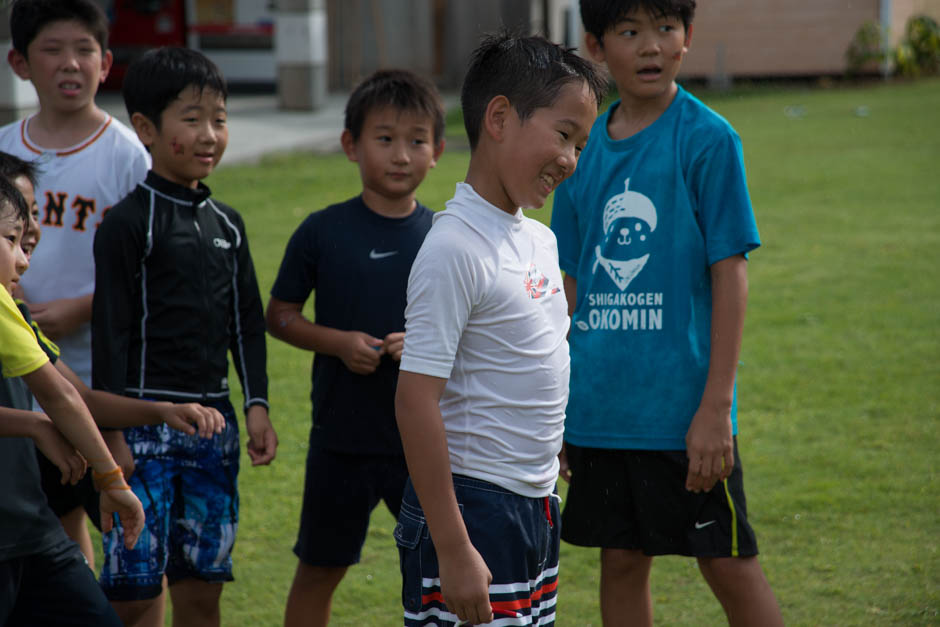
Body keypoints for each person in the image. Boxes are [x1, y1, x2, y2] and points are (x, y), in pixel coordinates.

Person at [548, 2, 784, 625]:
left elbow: (731, 275)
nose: (651, 46)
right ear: (597, 46)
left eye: (666, 29)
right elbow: (568, 286)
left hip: (685, 415)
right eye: (630, 32)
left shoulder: (708, 140)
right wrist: (561, 406)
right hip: (601, 410)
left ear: (687, 39)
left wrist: (715, 408)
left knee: (729, 562)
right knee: (620, 561)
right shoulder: (579, 147)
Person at [394, 32, 606, 626]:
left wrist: (550, 433)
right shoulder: (454, 249)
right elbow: (415, 404)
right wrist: (456, 548)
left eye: (581, 145)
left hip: (534, 503)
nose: (571, 159)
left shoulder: (538, 238)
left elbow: (527, 356)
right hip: (473, 509)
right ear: (499, 117)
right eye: (564, 135)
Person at [91, 46, 278, 627]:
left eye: (219, 119)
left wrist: (257, 406)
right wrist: (114, 436)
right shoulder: (126, 224)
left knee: (202, 589)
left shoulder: (229, 225)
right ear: (145, 128)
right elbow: (110, 335)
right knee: (135, 593)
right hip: (142, 438)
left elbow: (247, 322)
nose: (210, 134)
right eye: (192, 119)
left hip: (213, 437)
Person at [266, 69, 445, 627]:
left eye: (417, 140)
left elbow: (470, 334)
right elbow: (280, 315)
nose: (401, 155)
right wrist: (337, 342)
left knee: (439, 575)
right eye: (384, 138)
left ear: (438, 151)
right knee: (319, 570)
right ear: (351, 145)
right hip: (341, 440)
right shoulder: (323, 231)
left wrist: (424, 344)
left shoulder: (445, 237)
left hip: (424, 446)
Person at [0, 0, 151, 566]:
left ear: (107, 61)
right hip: (20, 380)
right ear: (19, 63)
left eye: (84, 50)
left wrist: (80, 309)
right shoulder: (5, 149)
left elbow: (148, 271)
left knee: (128, 547)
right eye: (53, 50)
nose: (70, 63)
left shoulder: (127, 155)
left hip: (98, 375)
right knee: (52, 520)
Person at [0, 151, 227, 487]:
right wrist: (111, 479)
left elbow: (79, 397)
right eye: (13, 232)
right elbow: (60, 397)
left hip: (28, 503)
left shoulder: (16, 313)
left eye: (34, 213)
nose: (32, 233)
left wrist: (162, 411)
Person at [0, 175, 145, 626]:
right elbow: (57, 394)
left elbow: (67, 396)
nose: (23, 260)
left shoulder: (10, 307)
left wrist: (34, 425)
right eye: (11, 240)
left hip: (29, 527)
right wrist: (111, 478)